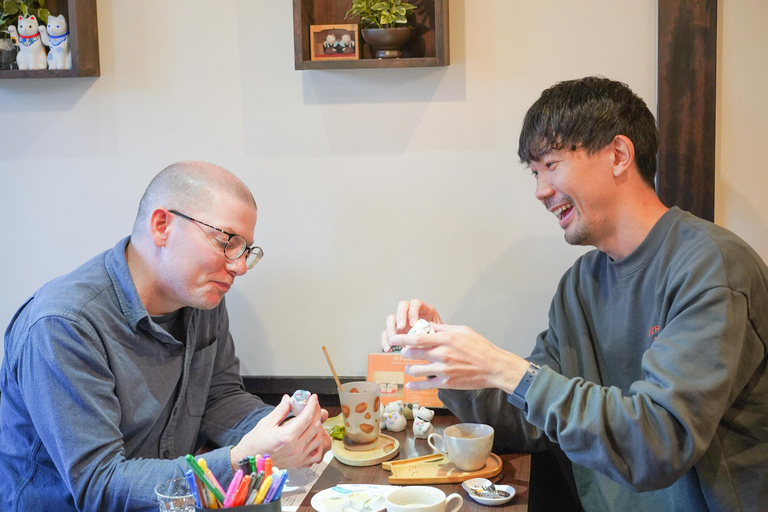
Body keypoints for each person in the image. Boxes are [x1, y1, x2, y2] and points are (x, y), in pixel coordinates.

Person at [381, 77, 768, 512]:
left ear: (618, 155)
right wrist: (441, 358)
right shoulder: (582, 283)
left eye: (551, 164)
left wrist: (505, 367)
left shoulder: (711, 267)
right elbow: (530, 423)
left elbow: (657, 444)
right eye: (535, 171)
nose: (540, 190)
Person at [0, 161, 332, 512]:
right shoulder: (64, 325)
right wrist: (240, 459)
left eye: (246, 249)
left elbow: (218, 399)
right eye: (227, 241)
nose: (240, 266)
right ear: (162, 226)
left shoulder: (202, 298)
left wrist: (286, 431)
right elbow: (100, 486)